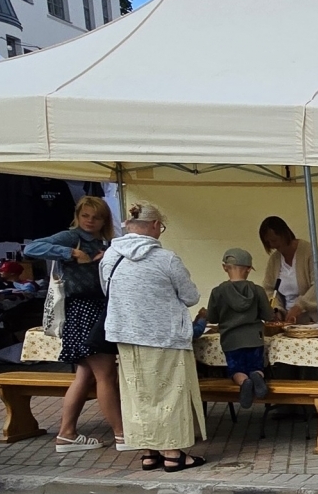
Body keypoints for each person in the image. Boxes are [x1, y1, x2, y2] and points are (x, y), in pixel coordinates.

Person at [100, 202, 206, 473]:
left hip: (125, 334)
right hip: (164, 336)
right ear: (156, 226)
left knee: (138, 395)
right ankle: (172, 453)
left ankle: (149, 452)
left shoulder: (110, 257)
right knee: (168, 395)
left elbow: (107, 291)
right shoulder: (166, 258)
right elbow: (191, 296)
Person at [25, 197, 124, 453]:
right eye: (86, 215)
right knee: (105, 375)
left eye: (96, 217)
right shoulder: (71, 237)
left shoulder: (107, 243)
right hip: (84, 309)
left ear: (105, 220)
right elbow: (32, 248)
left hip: (89, 310)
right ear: (78, 216)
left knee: (85, 375)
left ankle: (67, 434)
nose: (90, 221)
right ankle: (122, 434)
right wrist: (70, 252)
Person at [201, 248, 272, 408]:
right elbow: (268, 316)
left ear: (225, 267)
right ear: (248, 269)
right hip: (255, 338)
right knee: (256, 366)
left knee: (236, 369)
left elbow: (212, 318)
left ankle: (244, 382)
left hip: (231, 339)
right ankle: (256, 376)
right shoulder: (257, 290)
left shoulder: (217, 292)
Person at [259, 216, 318, 324]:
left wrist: (299, 306)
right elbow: (269, 289)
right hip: (291, 320)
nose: (272, 245)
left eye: (274, 240)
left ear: (285, 234)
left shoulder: (309, 252)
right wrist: (277, 310)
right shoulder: (274, 260)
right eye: (268, 242)